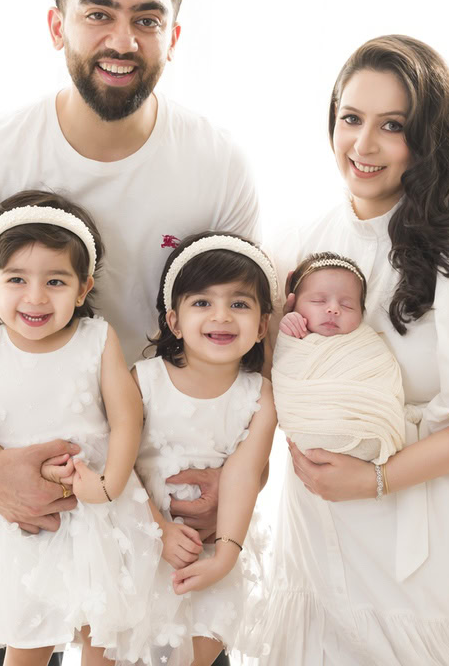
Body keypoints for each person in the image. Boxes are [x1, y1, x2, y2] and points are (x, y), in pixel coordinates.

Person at [0, 0, 255, 666]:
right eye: (97, 14)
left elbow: (245, 345)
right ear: (58, 25)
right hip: (37, 521)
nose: (122, 40)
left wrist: (227, 481)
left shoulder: (216, 167)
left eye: (147, 18)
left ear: (174, 36)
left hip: (165, 522)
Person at [243, 35, 449, 664]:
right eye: (350, 119)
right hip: (317, 545)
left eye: (392, 126)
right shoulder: (297, 241)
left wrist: (375, 479)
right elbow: (263, 387)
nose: (364, 145)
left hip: (422, 549)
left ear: (426, 138)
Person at [0, 190, 160, 664]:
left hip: (95, 518)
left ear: (83, 289)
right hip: (26, 523)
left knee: (101, 638)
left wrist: (110, 485)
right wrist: (21, 476)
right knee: (26, 640)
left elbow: (128, 417)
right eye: (17, 279)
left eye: (56, 281)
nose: (36, 297)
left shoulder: (96, 339)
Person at [114, 233, 277, 666]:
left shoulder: (261, 396)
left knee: (196, 651)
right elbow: (117, 465)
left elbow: (243, 474)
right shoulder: (143, 380)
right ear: (174, 320)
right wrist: (158, 533)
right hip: (134, 539)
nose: (221, 316)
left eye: (239, 304)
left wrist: (225, 554)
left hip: (210, 548)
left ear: (262, 326)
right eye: (202, 303)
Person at [273, 252, 406, 464]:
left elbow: (384, 376)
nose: (333, 309)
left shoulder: (365, 342)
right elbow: (285, 367)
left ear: (361, 314)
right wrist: (287, 331)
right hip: (309, 431)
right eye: (318, 300)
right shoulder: (295, 333)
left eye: (347, 305)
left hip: (372, 431)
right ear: (293, 303)